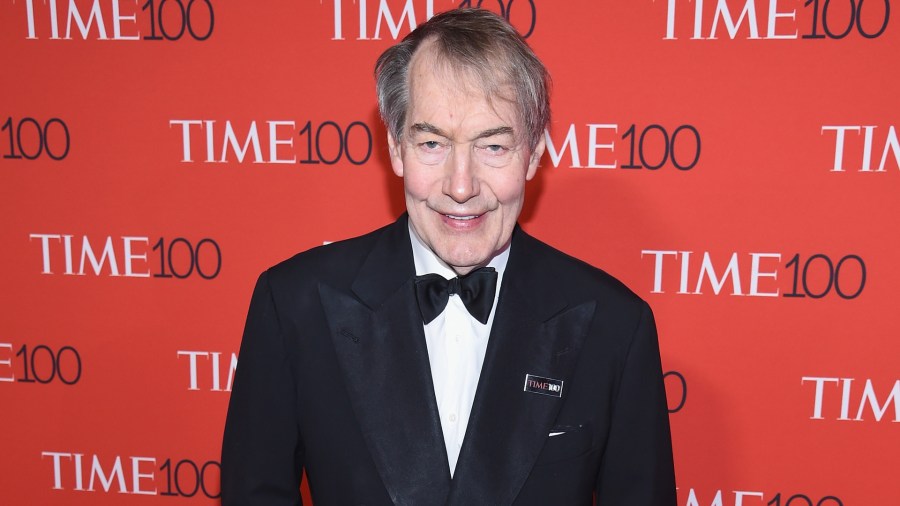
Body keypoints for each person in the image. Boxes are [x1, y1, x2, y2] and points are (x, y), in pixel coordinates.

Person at [221, 8, 676, 505]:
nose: (461, 187)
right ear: (396, 148)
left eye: (493, 146)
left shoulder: (614, 326)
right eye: (432, 142)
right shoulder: (295, 305)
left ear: (534, 154)